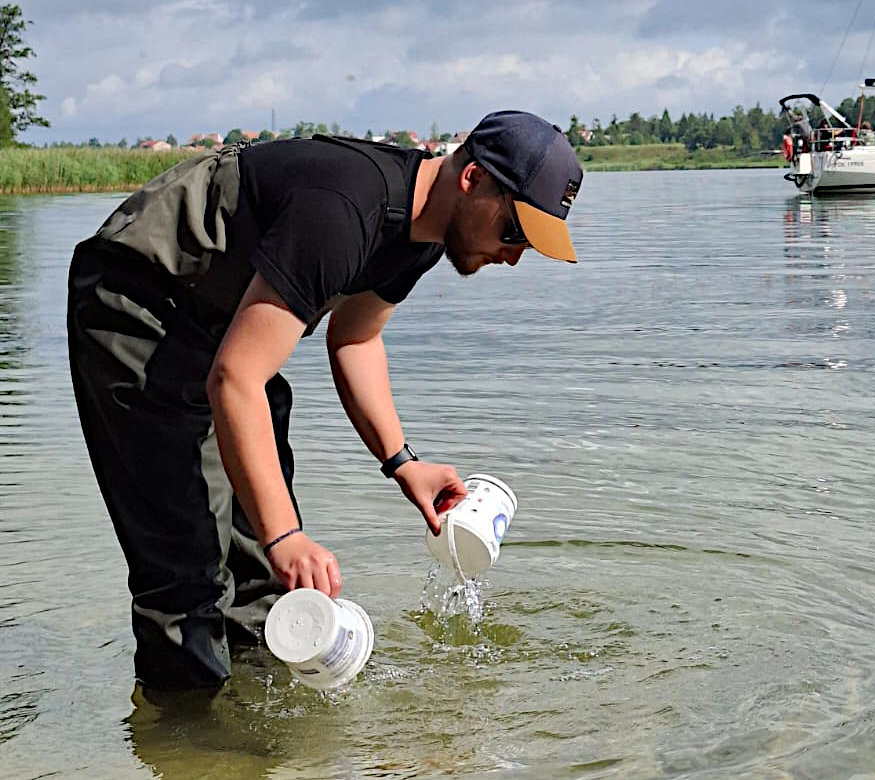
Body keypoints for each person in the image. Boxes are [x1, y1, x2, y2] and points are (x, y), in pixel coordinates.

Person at [66, 110, 584, 691]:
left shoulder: (419, 238)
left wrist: (402, 463)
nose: (514, 257)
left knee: (266, 571)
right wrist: (286, 534)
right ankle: (190, 743)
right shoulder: (344, 211)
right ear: (473, 181)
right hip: (140, 306)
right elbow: (235, 381)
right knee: (187, 576)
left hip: (220, 324)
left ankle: (254, 719)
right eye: (515, 232)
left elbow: (355, 338)